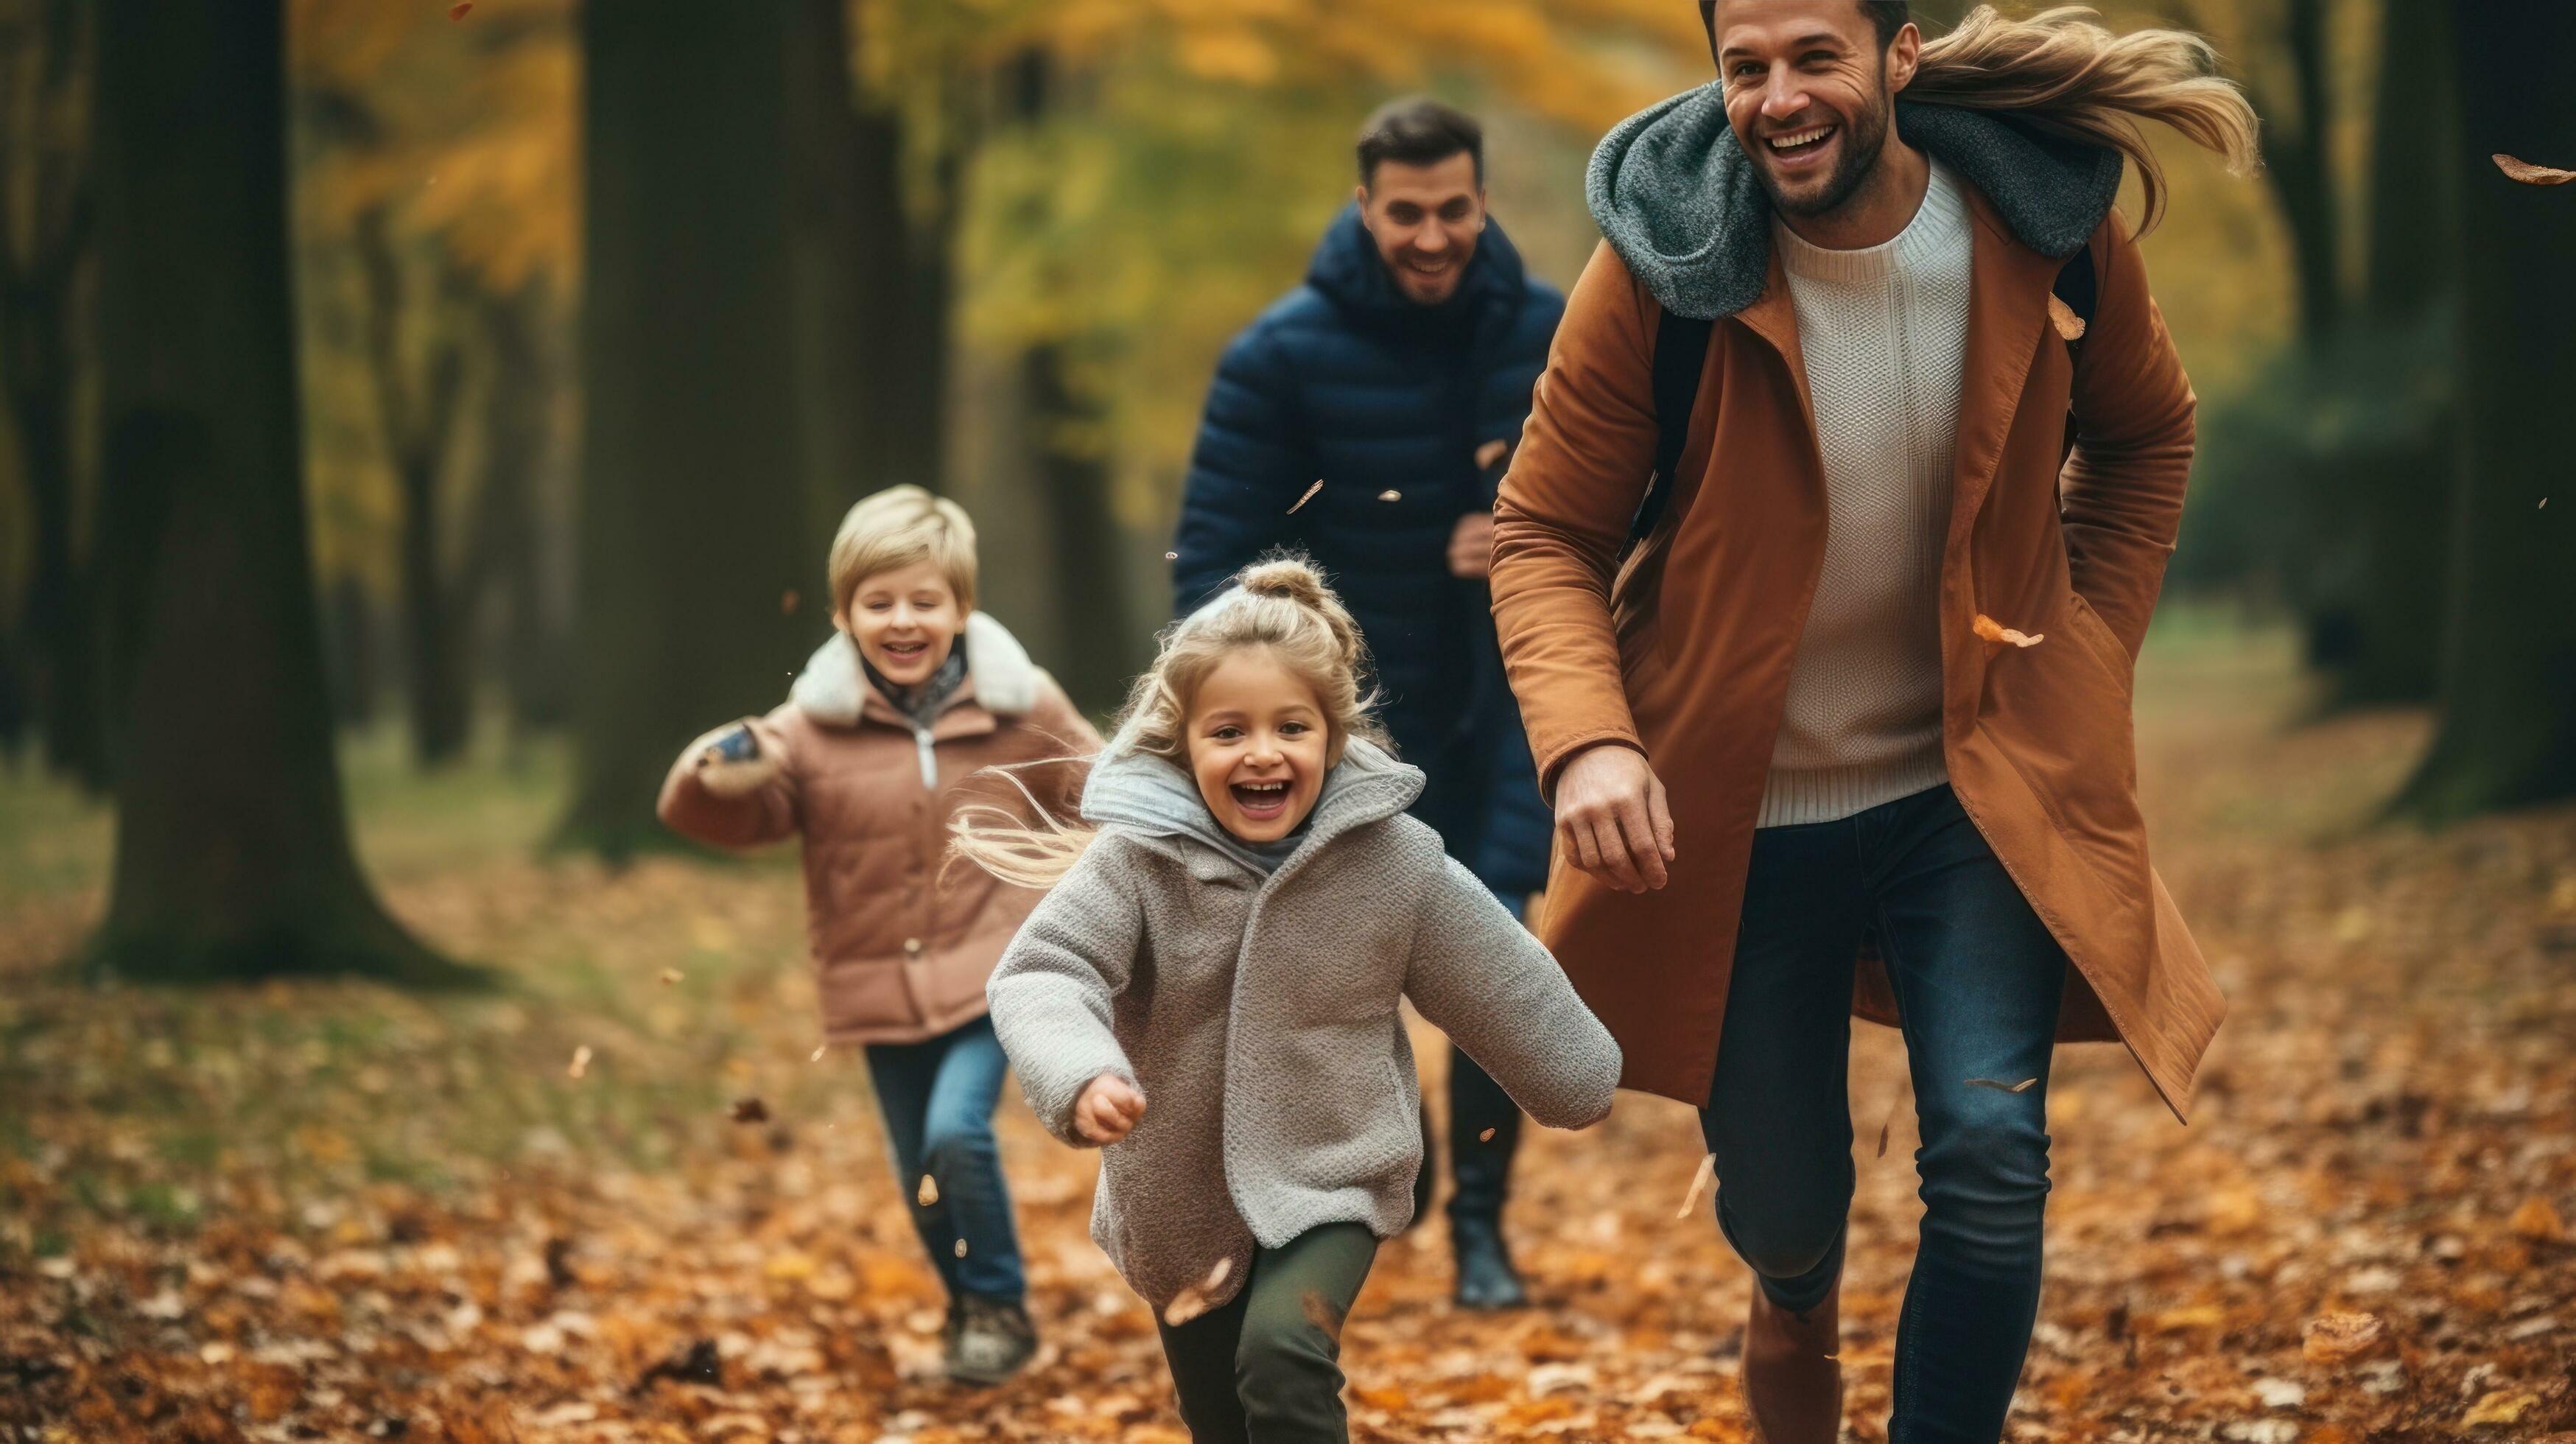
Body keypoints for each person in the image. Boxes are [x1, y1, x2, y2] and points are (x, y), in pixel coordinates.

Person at [1487, 3, 2258, 1440]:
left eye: (1813, 59)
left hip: (1969, 797)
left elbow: (2146, 432)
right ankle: (1788, 1298)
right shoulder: (1659, 258)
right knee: (1785, 1207)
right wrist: (1589, 738)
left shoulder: (2040, 224)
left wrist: (2081, 646)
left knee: (1985, 1154)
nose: (1776, 99)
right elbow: (1539, 531)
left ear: (1897, 57)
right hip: (1738, 817)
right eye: (1743, 67)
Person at [961, 557, 1619, 1443]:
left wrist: (1579, 1072)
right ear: (1184, 742)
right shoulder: (1138, 860)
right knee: (1220, 1419)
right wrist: (1080, 1072)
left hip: (1333, 1172)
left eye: (1290, 727)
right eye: (1227, 731)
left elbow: (1495, 973)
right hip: (1176, 1196)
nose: (1261, 752)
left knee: (1281, 1357)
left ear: (1333, 738)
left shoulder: (1394, 860)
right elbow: (1043, 971)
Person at [1168, 96, 1563, 1309]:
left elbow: (1647, 509)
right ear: (1364, 209)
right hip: (1350, 731)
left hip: (1508, 708)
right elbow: (1209, 575)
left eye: (1452, 210)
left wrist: (1530, 539)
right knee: (1365, 978)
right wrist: (1285, 694)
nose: (1431, 235)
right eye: (1405, 214)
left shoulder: (1555, 332)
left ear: (1481, 202)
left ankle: (1484, 1240)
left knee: (1490, 967)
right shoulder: (1280, 356)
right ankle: (1414, 1169)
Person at [656, 485, 1101, 1387]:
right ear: (843, 613)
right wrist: (713, 774)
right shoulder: (807, 727)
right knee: (922, 1178)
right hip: (874, 982)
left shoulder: (1023, 703)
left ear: (961, 608)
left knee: (955, 1133)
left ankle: (1001, 1308)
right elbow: (735, 814)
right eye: (879, 602)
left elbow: (1101, 789)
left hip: (995, 970)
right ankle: (967, 1308)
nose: (903, 621)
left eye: (923, 601)